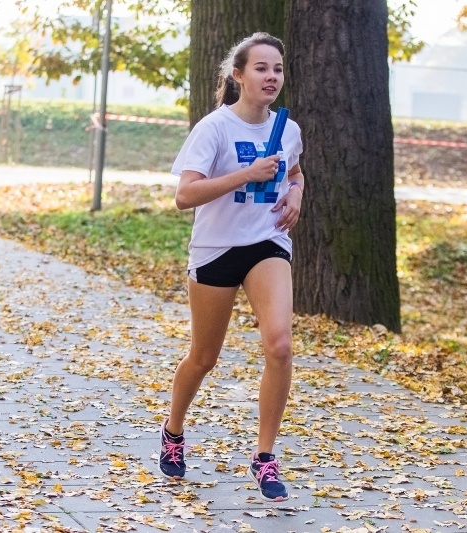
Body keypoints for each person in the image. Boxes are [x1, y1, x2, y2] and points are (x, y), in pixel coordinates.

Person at [158, 32, 305, 503]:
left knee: (280, 345)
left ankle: (265, 457)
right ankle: (173, 431)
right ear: (238, 75)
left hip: (266, 243)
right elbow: (184, 196)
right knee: (204, 358)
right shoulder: (215, 128)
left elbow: (296, 169)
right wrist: (246, 173)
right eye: (261, 68)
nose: (272, 77)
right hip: (216, 249)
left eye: (278, 69)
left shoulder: (289, 127)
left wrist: (297, 193)